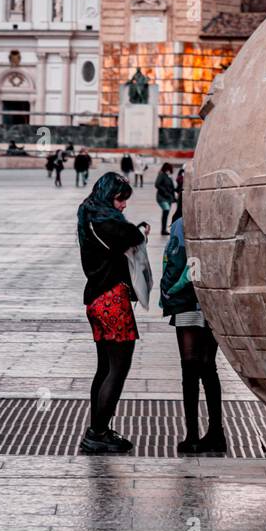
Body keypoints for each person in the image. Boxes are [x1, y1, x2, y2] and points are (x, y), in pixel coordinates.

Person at [77, 172, 150, 454]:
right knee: (118, 369)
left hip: (96, 299)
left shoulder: (89, 216)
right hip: (112, 301)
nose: (123, 206)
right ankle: (97, 433)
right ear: (109, 197)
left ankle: (98, 430)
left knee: (104, 368)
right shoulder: (106, 220)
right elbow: (132, 235)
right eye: (121, 200)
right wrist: (139, 230)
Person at [160, 198, 227, 456]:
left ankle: (192, 436)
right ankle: (216, 433)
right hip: (212, 303)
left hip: (187, 302)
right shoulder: (218, 224)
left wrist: (168, 294)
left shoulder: (181, 224)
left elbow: (174, 263)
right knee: (209, 367)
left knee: (189, 367)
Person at [155, 162, 176, 235]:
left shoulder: (168, 176)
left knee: (166, 213)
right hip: (162, 197)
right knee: (166, 211)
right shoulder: (161, 175)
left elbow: (172, 187)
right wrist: (165, 192)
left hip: (168, 198)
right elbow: (157, 184)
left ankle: (163, 229)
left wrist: (173, 197)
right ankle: (163, 230)